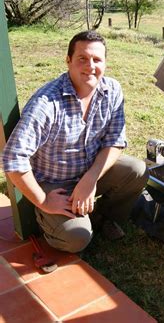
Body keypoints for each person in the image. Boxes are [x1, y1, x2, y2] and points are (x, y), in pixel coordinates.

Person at [1, 31, 148, 253]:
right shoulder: (46, 103)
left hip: (87, 171)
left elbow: (115, 141)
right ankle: (48, 218)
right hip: (53, 182)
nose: (90, 66)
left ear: (105, 62)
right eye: (82, 58)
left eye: (97, 60)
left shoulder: (112, 91)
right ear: (68, 60)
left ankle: (101, 217)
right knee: (75, 238)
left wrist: (90, 179)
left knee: (136, 170)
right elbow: (13, 159)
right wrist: (43, 201)